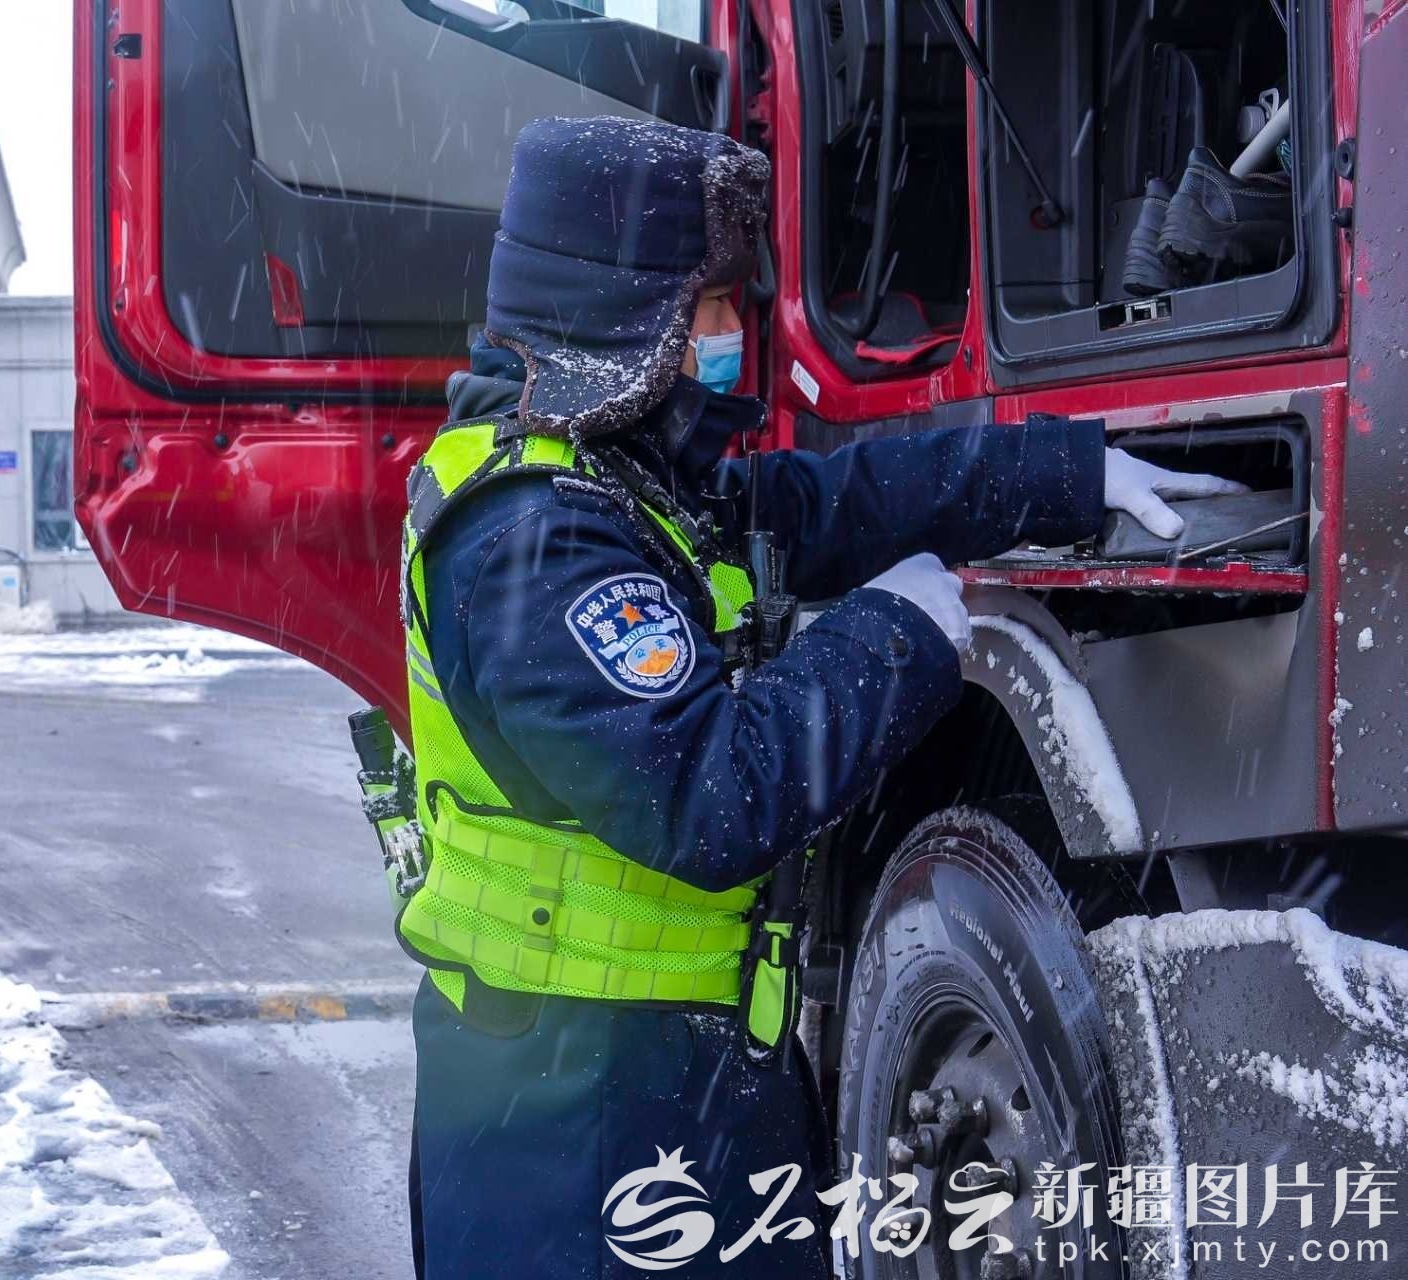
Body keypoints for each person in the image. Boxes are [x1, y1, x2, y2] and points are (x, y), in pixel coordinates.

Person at [397, 117, 1243, 1278]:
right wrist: (901, 632)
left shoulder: (622, 484)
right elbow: (703, 794)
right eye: (709, 309)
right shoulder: (534, 542)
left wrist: (1065, 470)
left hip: (653, 1081)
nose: (733, 338)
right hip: (572, 1124)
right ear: (619, 315)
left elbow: (828, 500)